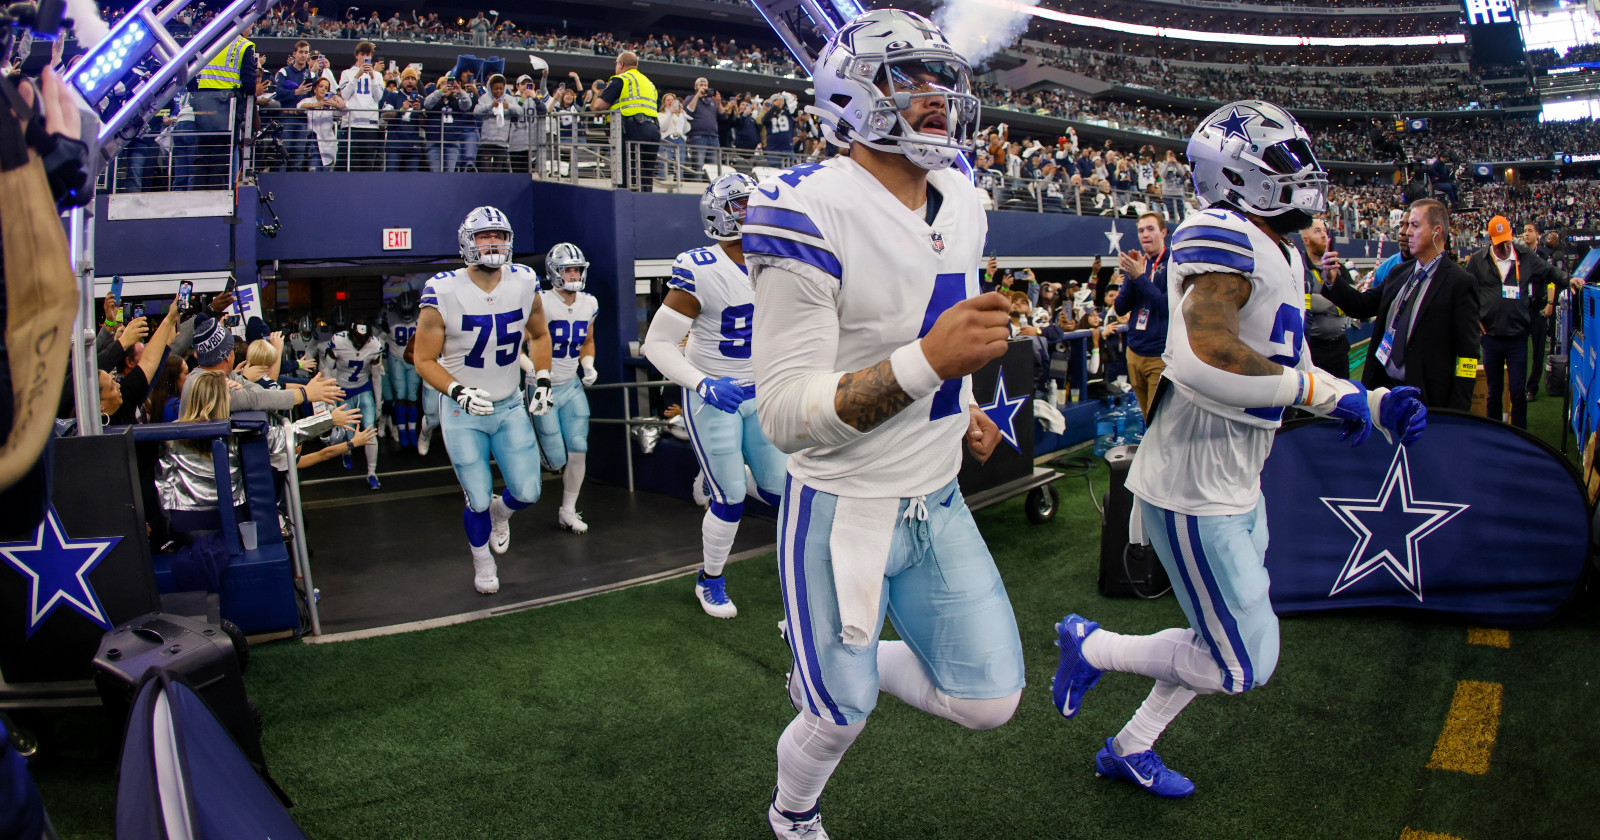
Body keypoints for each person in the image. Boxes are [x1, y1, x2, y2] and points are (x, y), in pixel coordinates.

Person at [1051, 100, 1429, 799]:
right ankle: (1092, 645)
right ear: (1235, 175)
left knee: (1216, 639)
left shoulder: (1279, 246)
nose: (1302, 172)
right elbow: (1203, 356)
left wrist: (1366, 400)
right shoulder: (1217, 232)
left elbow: (1282, 359)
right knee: (1239, 663)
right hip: (1193, 484)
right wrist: (1328, 397)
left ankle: (1130, 746)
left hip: (1237, 473)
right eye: (1282, 159)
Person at [744, 12, 1021, 836]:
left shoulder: (963, 193)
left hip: (936, 497)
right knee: (839, 717)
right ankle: (792, 815)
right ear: (848, 94)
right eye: (908, 78)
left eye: (940, 79)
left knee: (990, 701)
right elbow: (788, 415)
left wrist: (962, 402)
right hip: (842, 508)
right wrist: (933, 366)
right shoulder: (806, 207)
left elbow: (920, 319)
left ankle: (838, 662)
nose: (935, 97)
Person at [642, 173, 787, 620]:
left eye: (756, 202)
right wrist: (702, 383)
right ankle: (710, 580)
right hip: (713, 393)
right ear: (720, 215)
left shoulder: (782, 260)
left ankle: (718, 475)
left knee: (781, 490)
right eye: (743, 204)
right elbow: (657, 344)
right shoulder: (701, 267)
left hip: (760, 392)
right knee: (729, 500)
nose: (754, 212)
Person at [411, 207, 553, 594]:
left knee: (528, 492)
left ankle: (501, 512)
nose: (493, 243)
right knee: (475, 498)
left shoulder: (525, 280)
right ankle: (482, 560)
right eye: (484, 236)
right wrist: (457, 390)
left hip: (509, 406)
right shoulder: (441, 289)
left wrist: (541, 378)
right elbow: (422, 359)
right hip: (462, 410)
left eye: (500, 236)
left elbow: (539, 336)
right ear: (467, 242)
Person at [1319, 199, 1481, 410]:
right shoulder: (1399, 273)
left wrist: (1457, 408)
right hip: (1383, 391)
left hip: (1427, 399)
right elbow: (1363, 306)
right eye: (1405, 226)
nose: (1406, 232)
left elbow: (1468, 356)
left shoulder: (1460, 283)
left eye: (1415, 225)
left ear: (1436, 232)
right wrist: (1334, 281)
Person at [1465, 215, 1564, 429]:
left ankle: (1520, 435)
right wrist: (1476, 321)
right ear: (1491, 240)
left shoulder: (1525, 256)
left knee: (1518, 391)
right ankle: (1494, 434)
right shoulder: (1478, 261)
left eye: (1508, 241)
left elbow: (1549, 271)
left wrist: (1568, 279)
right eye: (1500, 243)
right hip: (1491, 337)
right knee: (1494, 391)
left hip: (1518, 337)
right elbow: (1465, 293)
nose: (1505, 247)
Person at [532, 243, 600, 534]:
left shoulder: (589, 303)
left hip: (571, 385)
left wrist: (588, 364)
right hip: (540, 385)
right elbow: (524, 344)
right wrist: (537, 376)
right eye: (567, 269)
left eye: (577, 269)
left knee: (579, 448)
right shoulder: (540, 302)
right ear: (554, 272)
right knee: (555, 460)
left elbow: (587, 340)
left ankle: (567, 510)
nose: (573, 274)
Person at [1114, 211, 1170, 419]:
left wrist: (1140, 277)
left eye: (1150, 229)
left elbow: (1165, 306)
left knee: (1159, 418)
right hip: (1134, 350)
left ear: (1163, 232)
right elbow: (1120, 308)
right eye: (1140, 230)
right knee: (1147, 418)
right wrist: (1131, 277)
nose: (1145, 234)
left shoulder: (1173, 262)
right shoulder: (1139, 263)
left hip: (1159, 354)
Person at [323, 321, 385, 488]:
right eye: (357, 339)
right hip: (343, 389)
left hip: (363, 389)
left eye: (362, 340)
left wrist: (379, 402)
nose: (359, 343)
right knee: (348, 431)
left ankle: (372, 473)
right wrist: (330, 394)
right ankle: (347, 450)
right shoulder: (339, 341)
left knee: (370, 429)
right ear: (351, 334)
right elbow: (327, 368)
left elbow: (376, 375)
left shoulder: (374, 345)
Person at [588, 51, 660, 192]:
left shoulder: (621, 79)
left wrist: (601, 92)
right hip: (653, 130)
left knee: (627, 175)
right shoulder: (649, 83)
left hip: (632, 130)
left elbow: (598, 107)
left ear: (621, 64)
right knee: (645, 175)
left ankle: (628, 208)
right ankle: (643, 206)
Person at [1301, 215, 1350, 378]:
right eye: (1317, 231)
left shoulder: (1339, 268)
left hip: (1340, 348)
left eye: (1325, 231)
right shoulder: (1300, 268)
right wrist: (1335, 301)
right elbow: (1304, 304)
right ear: (1306, 240)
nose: (1324, 235)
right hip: (1313, 350)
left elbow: (1351, 302)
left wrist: (1320, 302)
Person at [381, 291, 421, 447]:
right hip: (396, 358)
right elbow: (378, 337)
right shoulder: (388, 315)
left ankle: (411, 430)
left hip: (413, 359)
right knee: (400, 394)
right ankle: (401, 429)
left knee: (411, 395)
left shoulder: (421, 313)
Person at [271, 40, 317, 171]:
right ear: (294, 54)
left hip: (303, 120)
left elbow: (321, 92)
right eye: (301, 52)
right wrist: (296, 92)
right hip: (286, 118)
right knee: (282, 154)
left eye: (306, 52)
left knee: (298, 155)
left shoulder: (312, 75)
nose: (303, 55)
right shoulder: (284, 72)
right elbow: (277, 93)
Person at [337, 42, 383, 171]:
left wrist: (372, 76)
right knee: (350, 164)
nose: (365, 57)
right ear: (357, 55)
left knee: (367, 164)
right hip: (351, 124)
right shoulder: (346, 73)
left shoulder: (378, 76)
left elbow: (378, 97)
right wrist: (357, 75)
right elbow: (345, 95)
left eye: (368, 54)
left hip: (370, 125)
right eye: (362, 54)